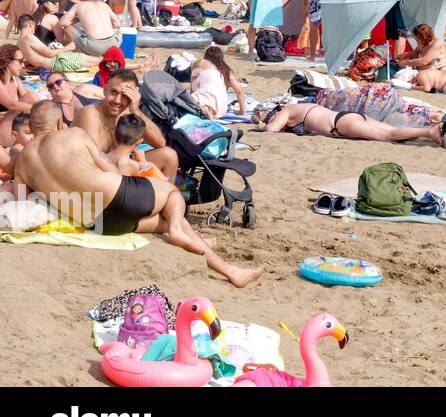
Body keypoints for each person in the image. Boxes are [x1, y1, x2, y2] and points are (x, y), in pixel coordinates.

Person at [15, 102, 261, 286]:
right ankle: (186, 236)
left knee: (162, 222)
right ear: (59, 123)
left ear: (31, 126)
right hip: (119, 196)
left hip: (99, 223)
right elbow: (110, 169)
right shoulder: (73, 134)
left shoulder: (23, 163)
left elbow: (23, 200)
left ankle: (227, 267)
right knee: (171, 194)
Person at [73, 70, 179, 182]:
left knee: (169, 155)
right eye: (114, 92)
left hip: (115, 167)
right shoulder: (90, 114)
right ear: (105, 91)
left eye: (125, 95)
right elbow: (94, 163)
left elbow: (160, 143)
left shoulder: (126, 113)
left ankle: (166, 196)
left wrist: (136, 110)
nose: (118, 101)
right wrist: (135, 169)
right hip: (89, 176)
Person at [258, 100, 443, 143]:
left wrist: (263, 125)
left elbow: (271, 130)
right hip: (346, 116)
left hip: (341, 125)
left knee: (389, 135)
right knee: (393, 131)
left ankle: (429, 131)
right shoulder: (299, 107)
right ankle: (430, 130)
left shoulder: (287, 110)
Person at [190, 46, 246, 118]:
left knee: (196, 98)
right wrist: (242, 111)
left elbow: (192, 89)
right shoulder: (226, 70)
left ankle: (205, 109)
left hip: (205, 98)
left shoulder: (201, 65)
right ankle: (208, 110)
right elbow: (239, 91)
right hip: (221, 108)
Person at [107, 113, 165, 181]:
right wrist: (144, 162)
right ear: (139, 142)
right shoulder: (137, 167)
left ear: (113, 134)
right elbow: (164, 185)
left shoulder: (99, 159)